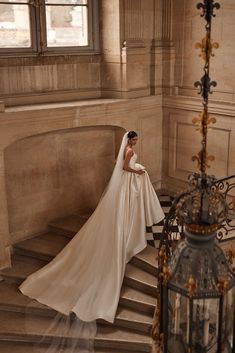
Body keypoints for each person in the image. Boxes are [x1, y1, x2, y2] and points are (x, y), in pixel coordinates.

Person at [19, 130, 165, 323]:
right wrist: (136, 170)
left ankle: (129, 232)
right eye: (135, 139)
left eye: (137, 139)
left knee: (125, 210)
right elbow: (123, 167)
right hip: (128, 179)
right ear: (129, 140)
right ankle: (126, 234)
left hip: (125, 184)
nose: (136, 142)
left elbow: (118, 164)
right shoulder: (129, 151)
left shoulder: (127, 149)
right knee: (124, 212)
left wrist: (134, 167)